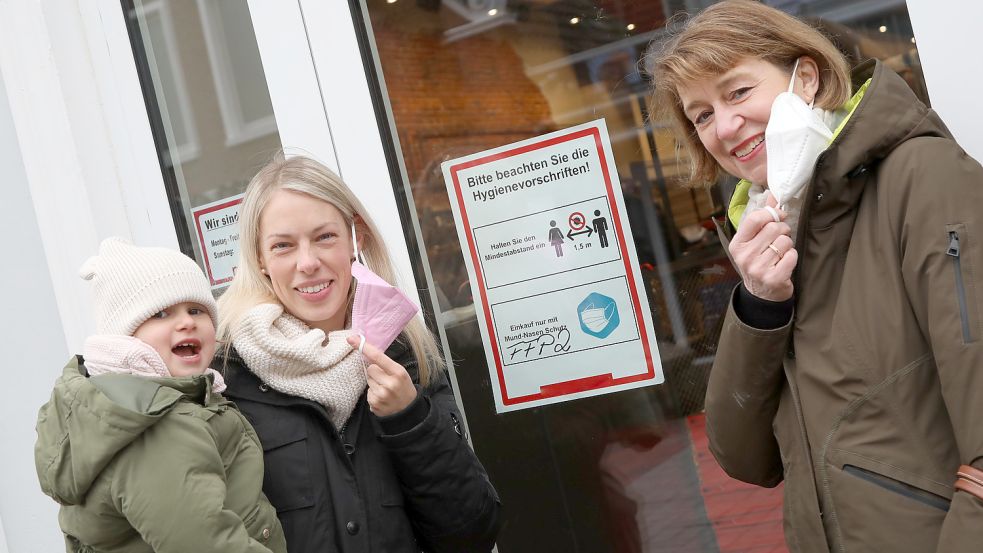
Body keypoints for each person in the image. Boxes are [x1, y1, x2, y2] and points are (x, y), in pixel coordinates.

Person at [645, 1, 983, 552]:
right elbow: (746, 458)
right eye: (701, 114)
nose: (725, 127)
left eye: (736, 92)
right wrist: (760, 306)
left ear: (806, 76)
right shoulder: (767, 226)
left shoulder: (923, 178)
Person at [215, 153, 501, 553]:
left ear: (355, 239)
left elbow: (471, 534)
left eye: (324, 237)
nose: (308, 262)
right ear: (260, 259)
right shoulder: (226, 379)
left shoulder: (405, 355)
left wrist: (410, 419)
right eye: (283, 246)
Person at [34, 237, 287, 553]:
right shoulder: (156, 427)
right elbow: (204, 542)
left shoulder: (151, 406)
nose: (186, 322)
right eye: (161, 314)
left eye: (196, 310)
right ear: (125, 336)